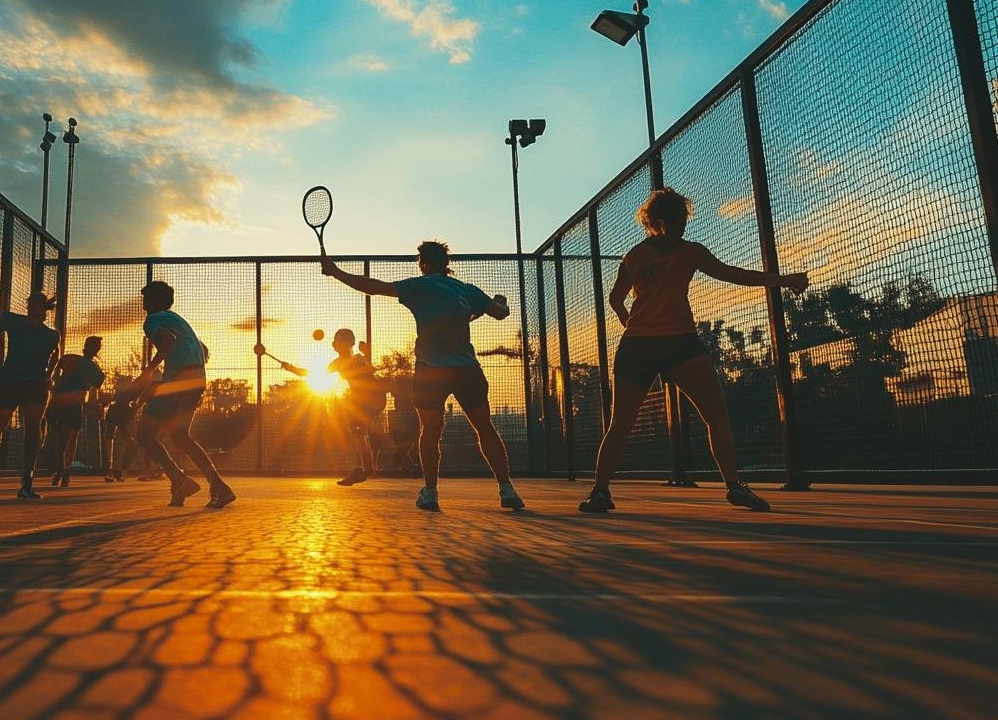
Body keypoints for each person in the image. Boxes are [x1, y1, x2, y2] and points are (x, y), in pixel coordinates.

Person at [579, 187, 808, 514]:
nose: (680, 225)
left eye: (682, 219)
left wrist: (627, 316)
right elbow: (732, 275)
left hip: (652, 344)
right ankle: (731, 487)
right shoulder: (677, 253)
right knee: (699, 417)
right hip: (666, 344)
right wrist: (784, 280)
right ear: (662, 221)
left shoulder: (643, 254)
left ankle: (603, 492)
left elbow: (616, 299)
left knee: (649, 422)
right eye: (676, 219)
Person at [322, 241, 522, 512]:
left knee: (430, 431)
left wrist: (335, 272)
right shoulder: (466, 290)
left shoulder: (418, 286)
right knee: (485, 428)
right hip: (466, 370)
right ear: (446, 263)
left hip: (431, 371)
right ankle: (506, 488)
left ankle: (430, 492)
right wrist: (500, 301)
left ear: (422, 263)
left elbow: (373, 286)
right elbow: (501, 313)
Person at [133, 281, 235, 508]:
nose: (143, 302)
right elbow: (196, 348)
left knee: (144, 434)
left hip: (179, 380)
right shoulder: (179, 320)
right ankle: (216, 486)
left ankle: (179, 479)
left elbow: (169, 341)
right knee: (180, 435)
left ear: (154, 301)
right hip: (196, 378)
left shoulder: (153, 320)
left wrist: (148, 373)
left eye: (146, 297)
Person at [0, 291, 60, 499]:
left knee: (32, 427)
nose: (33, 309)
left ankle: (27, 481)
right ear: (28, 307)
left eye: (38, 306)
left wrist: (49, 375)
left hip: (35, 384)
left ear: (45, 311)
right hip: (8, 382)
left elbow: (56, 356)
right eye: (31, 305)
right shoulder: (12, 320)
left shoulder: (51, 335)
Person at [275, 329, 386, 485]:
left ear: (350, 343)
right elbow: (313, 373)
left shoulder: (358, 358)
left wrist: (366, 354)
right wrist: (291, 367)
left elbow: (371, 369)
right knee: (357, 429)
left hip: (375, 397)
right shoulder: (337, 363)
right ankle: (364, 469)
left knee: (356, 426)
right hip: (363, 400)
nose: (336, 344)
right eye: (336, 341)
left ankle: (362, 469)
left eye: (341, 341)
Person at [45, 336, 106, 487]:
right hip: (73, 404)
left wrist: (52, 382)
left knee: (62, 437)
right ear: (97, 350)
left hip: (59, 401)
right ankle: (64, 470)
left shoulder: (70, 359)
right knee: (71, 437)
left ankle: (61, 470)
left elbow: (55, 369)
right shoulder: (94, 369)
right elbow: (97, 384)